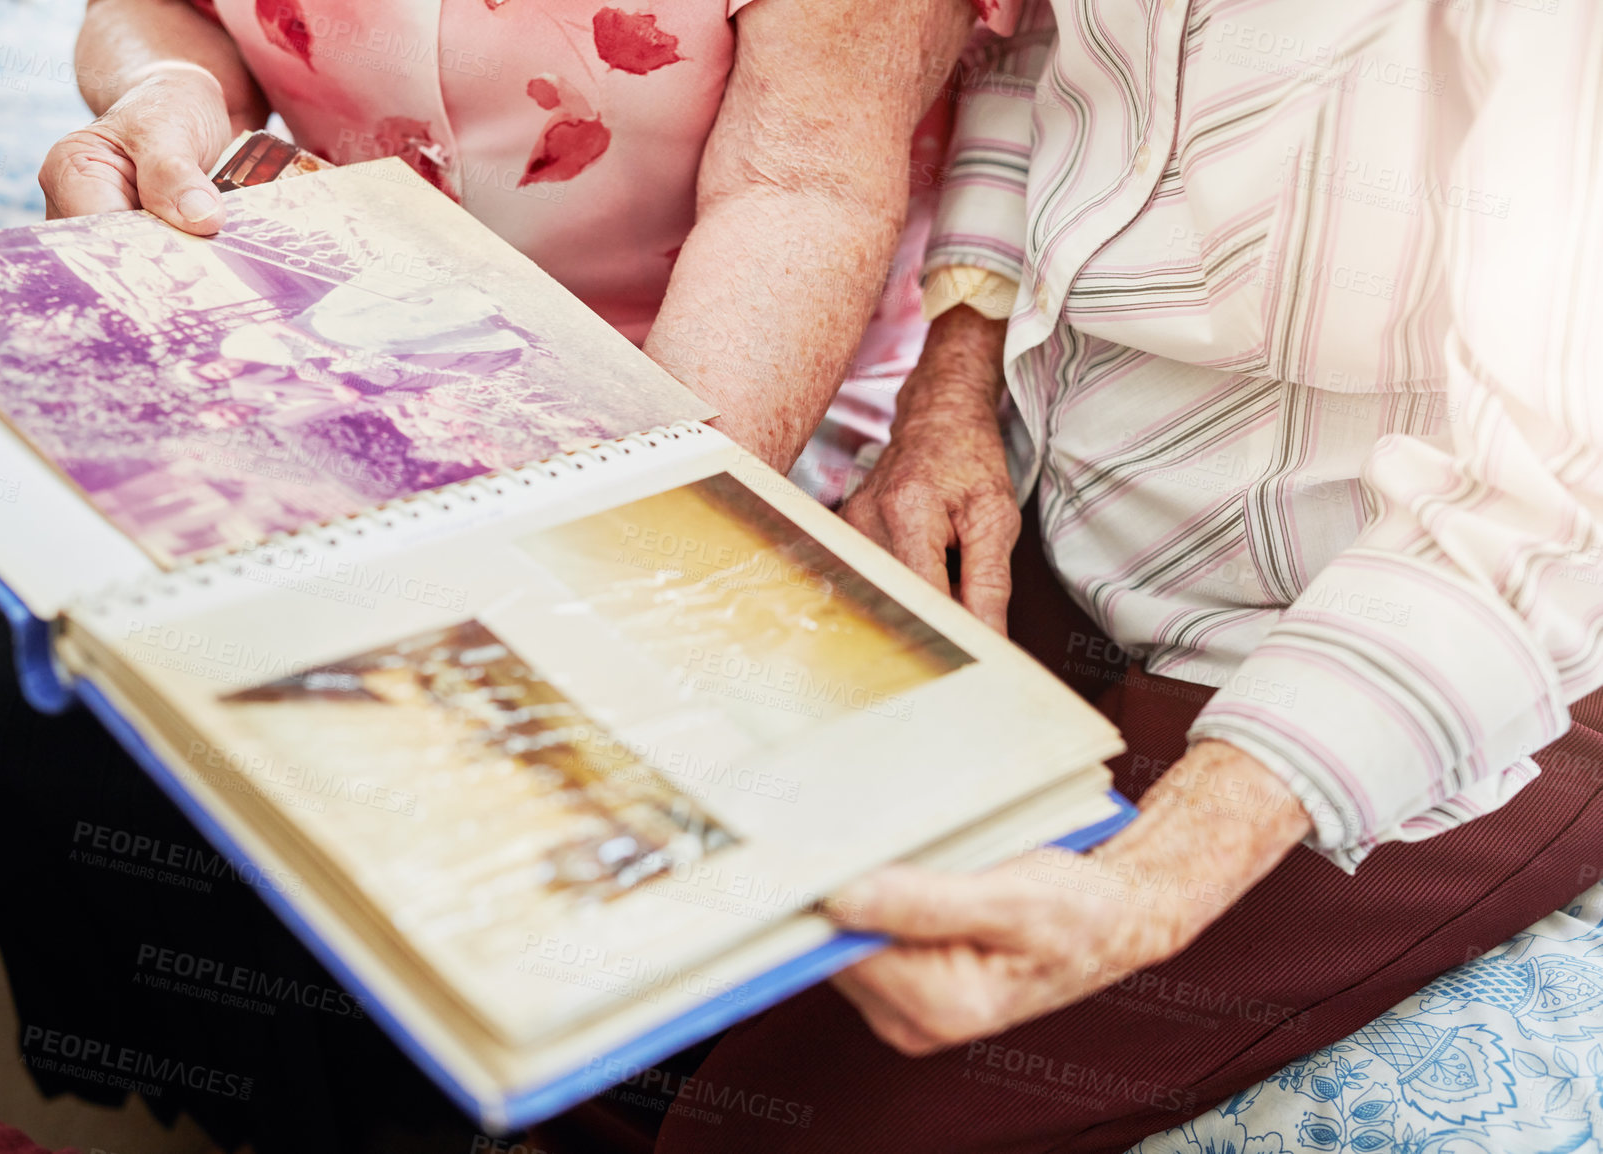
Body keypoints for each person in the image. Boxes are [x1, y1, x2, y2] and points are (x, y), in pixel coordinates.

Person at [0, 1, 997, 1151]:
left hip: (709, 384)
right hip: (324, 313)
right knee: (80, 708)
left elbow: (798, 187)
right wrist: (169, 93)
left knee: (498, 780)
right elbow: (154, 11)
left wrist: (608, 524)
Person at [622, 1, 1603, 1151]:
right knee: (650, 960)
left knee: (777, 1130)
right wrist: (950, 388)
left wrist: (1147, 887)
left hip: (1413, 652)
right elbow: (1035, 56)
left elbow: (1544, 508)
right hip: (1050, 506)